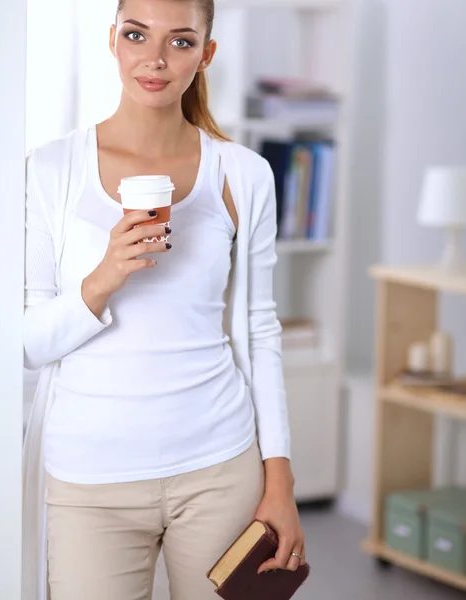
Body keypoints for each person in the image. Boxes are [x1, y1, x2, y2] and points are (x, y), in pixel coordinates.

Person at [22, 0, 306, 599]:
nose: (154, 59)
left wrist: (277, 479)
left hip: (220, 468)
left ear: (206, 55)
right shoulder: (49, 171)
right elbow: (26, 343)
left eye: (180, 42)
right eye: (136, 35)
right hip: (88, 482)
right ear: (113, 41)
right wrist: (104, 277)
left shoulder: (243, 174)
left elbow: (260, 331)